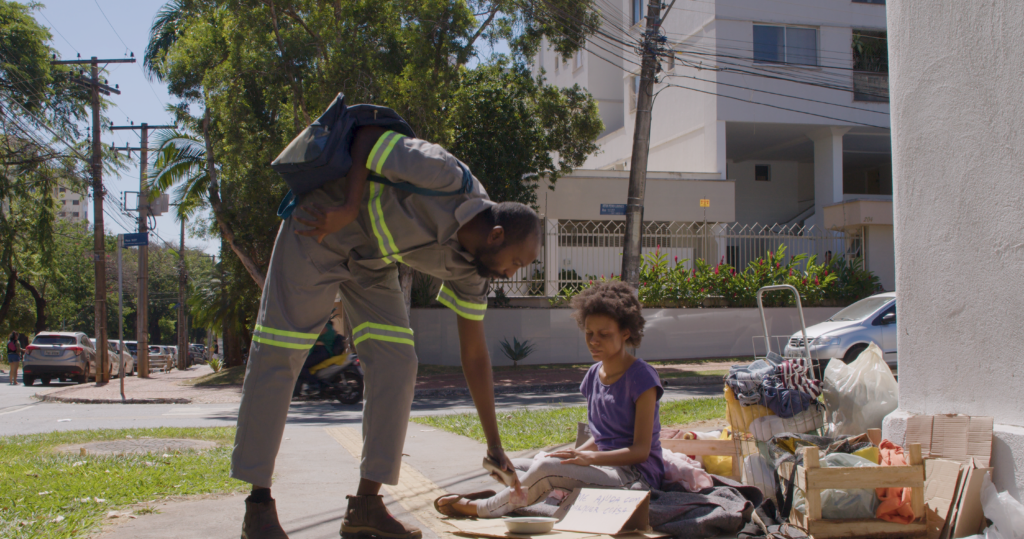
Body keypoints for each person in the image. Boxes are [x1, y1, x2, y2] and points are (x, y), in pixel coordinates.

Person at [234, 125, 540, 539]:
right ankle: (258, 507)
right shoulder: (448, 176)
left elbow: (475, 356)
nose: (510, 273)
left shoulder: (474, 271)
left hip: (372, 262)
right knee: (282, 352)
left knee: (398, 363)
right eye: (515, 263)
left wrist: (494, 446)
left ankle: (365, 507)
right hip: (321, 226)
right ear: (497, 235)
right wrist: (347, 206)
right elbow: (369, 137)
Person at [434, 281, 664, 518]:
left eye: (604, 335)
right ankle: (508, 497)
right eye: (589, 333)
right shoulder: (594, 375)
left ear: (626, 333)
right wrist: (571, 455)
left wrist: (587, 458)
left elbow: (640, 451)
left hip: (636, 477)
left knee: (544, 469)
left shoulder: (642, 377)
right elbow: (603, 436)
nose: (594, 341)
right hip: (603, 467)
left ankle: (482, 508)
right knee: (523, 465)